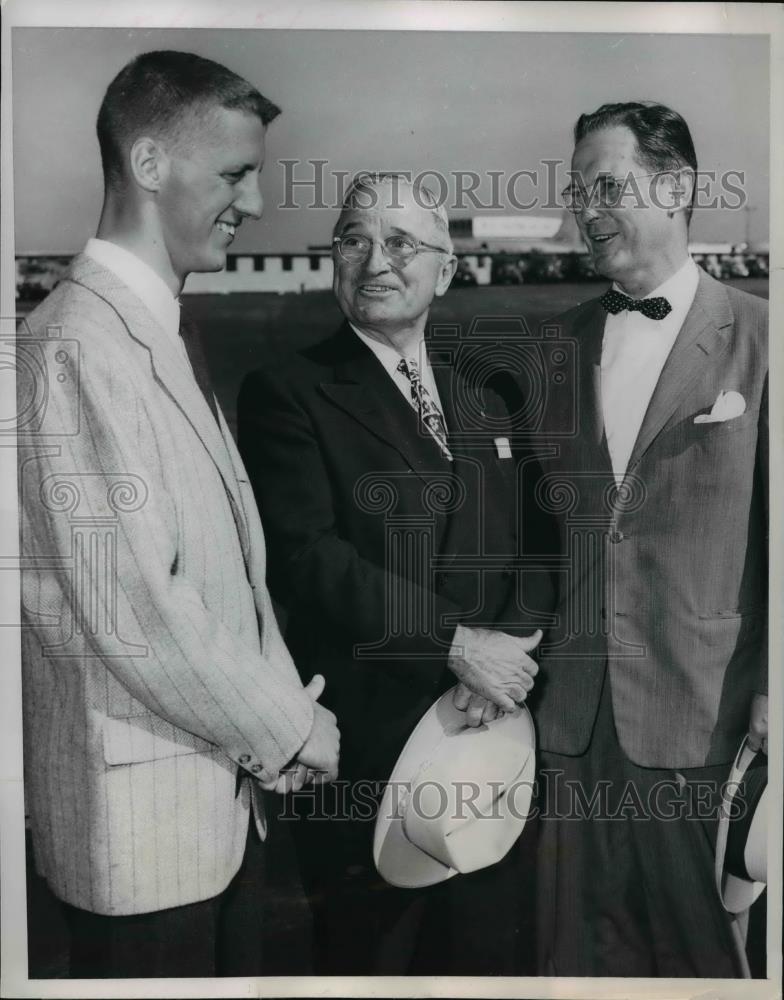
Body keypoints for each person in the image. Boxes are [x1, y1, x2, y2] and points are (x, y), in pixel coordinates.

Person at [18, 50, 339, 979]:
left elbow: (224, 571)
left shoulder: (142, 328)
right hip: (145, 846)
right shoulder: (75, 347)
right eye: (236, 173)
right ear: (150, 165)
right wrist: (287, 726)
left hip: (208, 818)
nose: (259, 203)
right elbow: (140, 611)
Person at [237, 173, 553, 974]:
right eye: (354, 239)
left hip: (493, 738)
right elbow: (310, 559)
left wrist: (504, 656)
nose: (375, 260)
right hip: (368, 754)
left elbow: (539, 538)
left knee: (490, 958)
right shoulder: (288, 392)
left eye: (402, 242)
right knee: (373, 965)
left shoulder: (491, 390)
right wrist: (456, 647)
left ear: (445, 270)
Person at [528, 101, 768, 977]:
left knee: (710, 969)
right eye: (575, 191)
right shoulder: (554, 347)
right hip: (573, 729)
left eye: (604, 186)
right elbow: (535, 538)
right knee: (577, 968)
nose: (584, 212)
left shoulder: (765, 338)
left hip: (706, 730)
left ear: (676, 187)